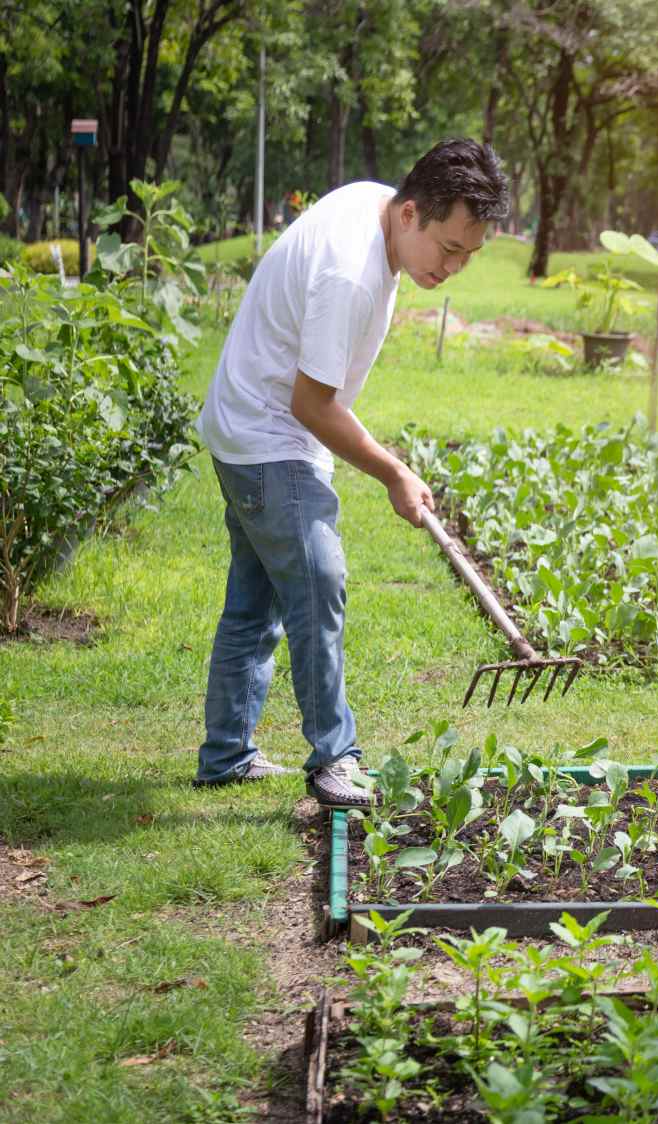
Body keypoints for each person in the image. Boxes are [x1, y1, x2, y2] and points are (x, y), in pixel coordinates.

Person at [192, 139, 510, 806]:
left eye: (468, 255)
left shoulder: (376, 204)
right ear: (410, 214)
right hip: (265, 431)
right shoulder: (350, 271)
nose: (454, 267)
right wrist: (394, 472)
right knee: (317, 578)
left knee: (256, 604)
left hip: (252, 420)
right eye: (449, 248)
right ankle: (335, 757)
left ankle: (226, 756)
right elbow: (312, 404)